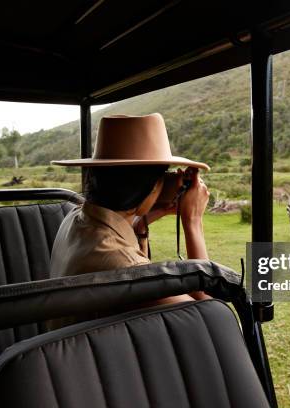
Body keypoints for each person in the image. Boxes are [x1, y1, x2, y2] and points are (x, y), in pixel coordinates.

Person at [49, 113, 211, 327]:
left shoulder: (73, 217)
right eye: (163, 177)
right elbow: (208, 318)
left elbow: (117, 232)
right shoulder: (127, 270)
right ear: (152, 186)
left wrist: (145, 217)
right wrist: (193, 221)